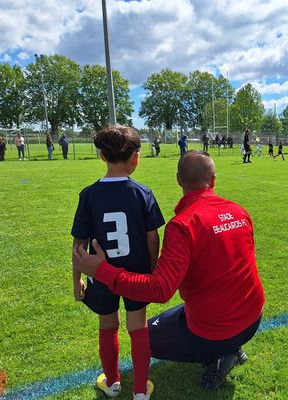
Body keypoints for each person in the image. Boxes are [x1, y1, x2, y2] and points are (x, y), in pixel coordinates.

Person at [73, 150, 265, 391]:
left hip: (217, 330)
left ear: (178, 180)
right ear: (214, 179)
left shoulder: (184, 224)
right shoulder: (240, 212)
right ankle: (232, 346)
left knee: (147, 336)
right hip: (253, 318)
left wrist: (101, 270)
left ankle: (219, 355)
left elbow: (160, 289)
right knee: (197, 306)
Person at [71, 126, 165, 400]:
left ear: (102, 156)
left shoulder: (89, 194)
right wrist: (151, 269)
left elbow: (79, 242)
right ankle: (139, 390)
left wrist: (76, 278)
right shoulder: (142, 193)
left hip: (100, 273)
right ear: (136, 157)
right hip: (135, 272)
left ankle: (112, 383)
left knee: (107, 323)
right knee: (138, 326)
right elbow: (152, 238)